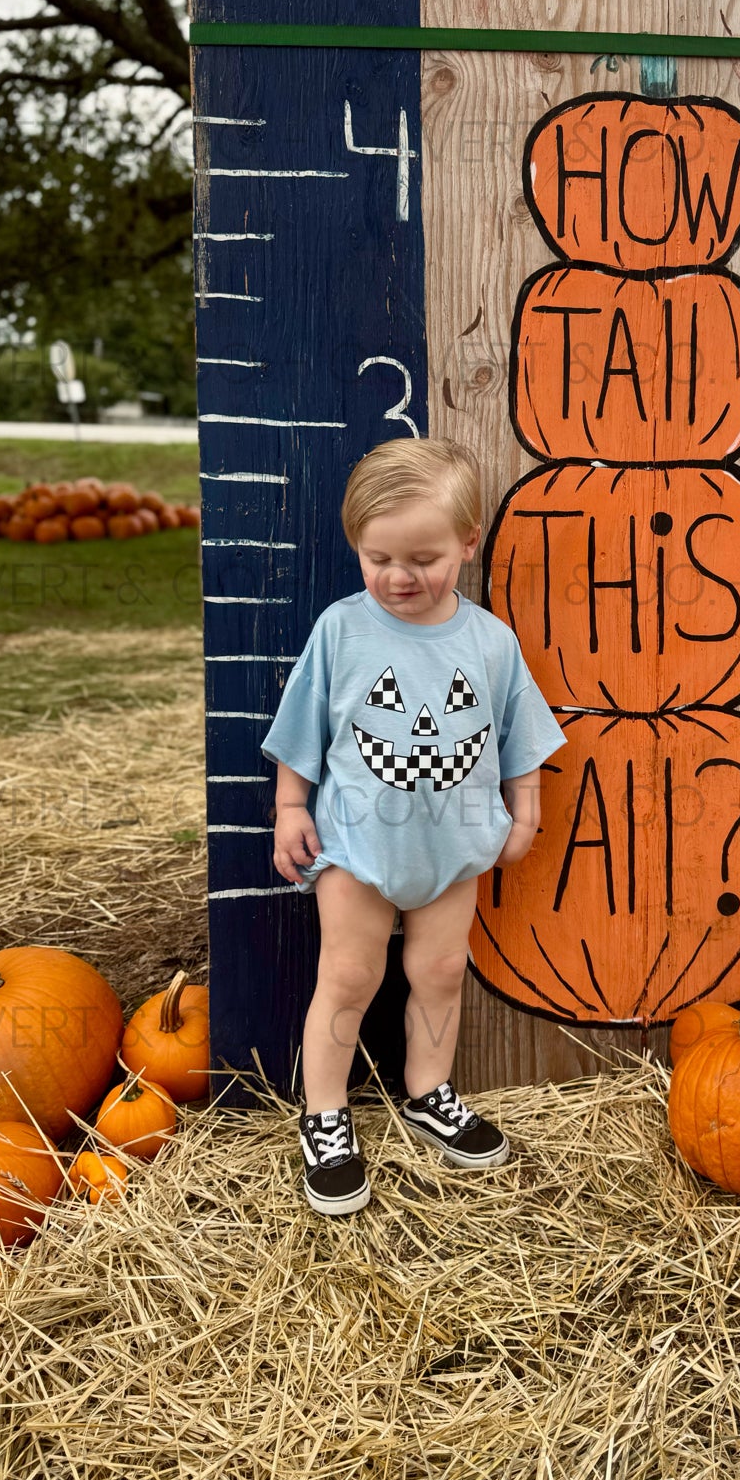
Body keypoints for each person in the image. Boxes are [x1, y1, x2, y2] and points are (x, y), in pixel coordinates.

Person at [261, 437, 568, 1218]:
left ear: (468, 543)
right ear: (357, 547)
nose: (399, 577)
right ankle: (325, 1112)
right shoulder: (342, 630)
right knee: (350, 974)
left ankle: (430, 1089)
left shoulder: (490, 642)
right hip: (359, 846)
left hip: (455, 847)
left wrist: (523, 807)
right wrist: (290, 806)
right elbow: (300, 730)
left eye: (423, 558)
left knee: (440, 972)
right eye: (379, 557)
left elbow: (515, 736)